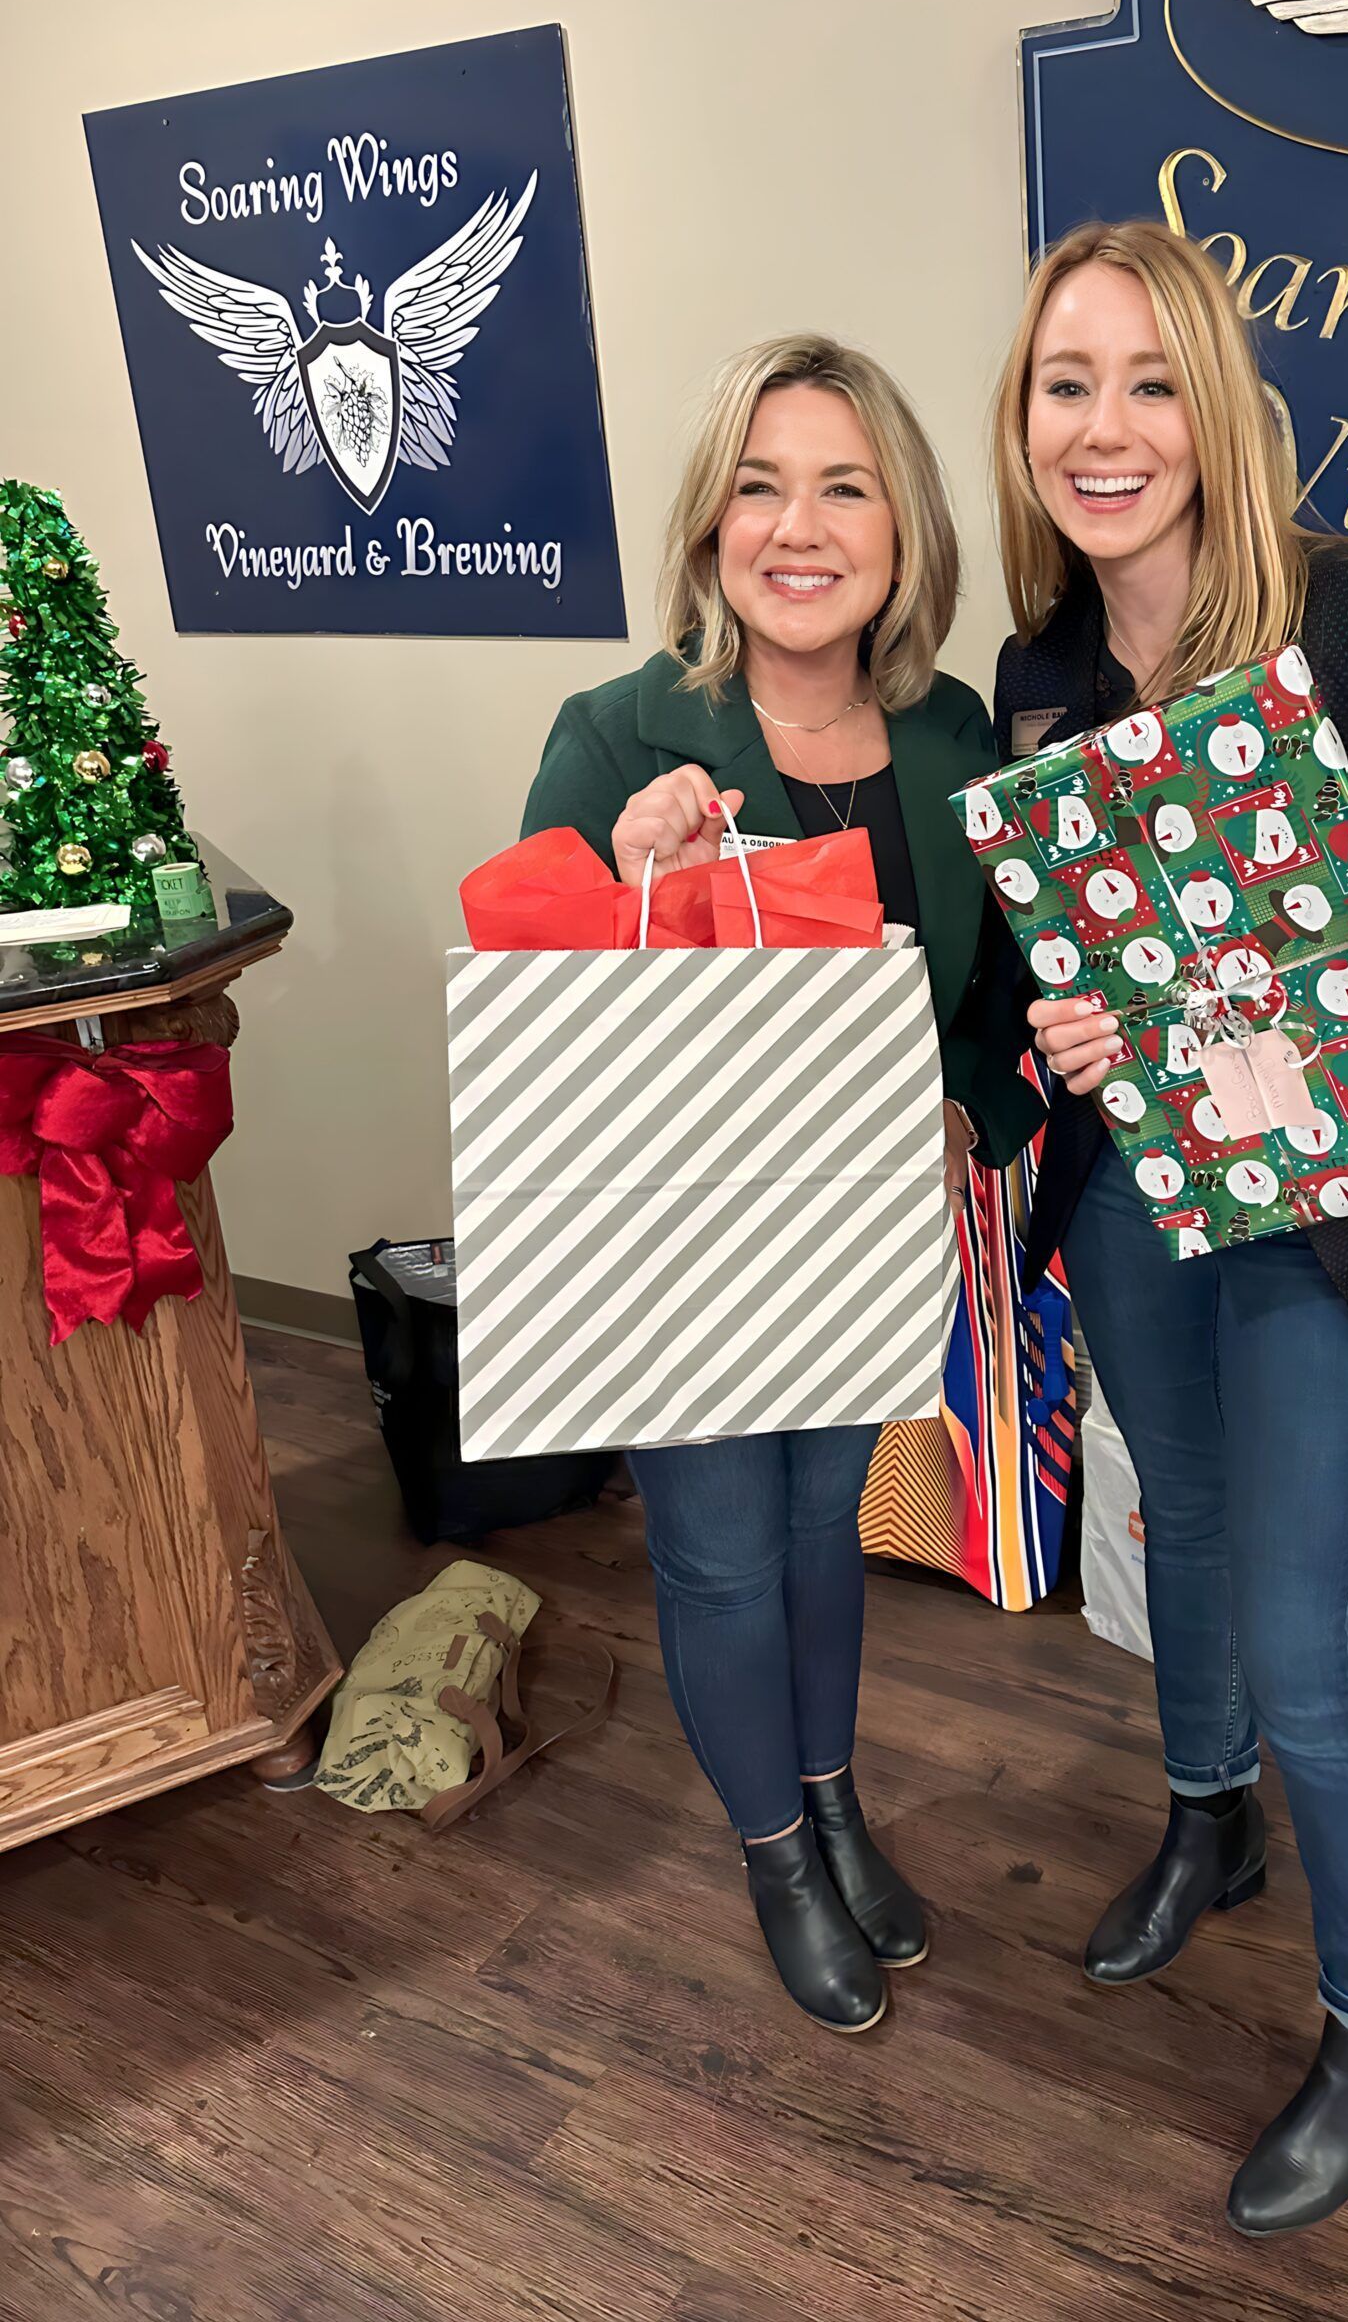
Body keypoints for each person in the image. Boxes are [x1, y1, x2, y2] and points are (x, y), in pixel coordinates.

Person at [987, 221, 1348, 2231]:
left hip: (1329, 1197)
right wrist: (1054, 1006)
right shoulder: (1039, 666)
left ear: (1213, 406)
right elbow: (1051, 931)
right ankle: (1207, 1822)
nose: (1106, 423)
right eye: (1068, 381)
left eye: (1148, 380)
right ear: (1026, 415)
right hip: (1140, 1178)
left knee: (1312, 1635)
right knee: (1181, 1527)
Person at [523, 334, 1040, 2034]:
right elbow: (534, 1007)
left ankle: (831, 1801)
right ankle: (769, 1847)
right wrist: (626, 875)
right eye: (759, 485)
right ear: (709, 523)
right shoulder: (620, 734)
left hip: (864, 1221)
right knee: (725, 1557)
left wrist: (973, 1112)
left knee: (828, 1534)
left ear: (900, 531)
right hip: (677, 1238)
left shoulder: (955, 736)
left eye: (843, 486)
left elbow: (1003, 996)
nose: (796, 526)